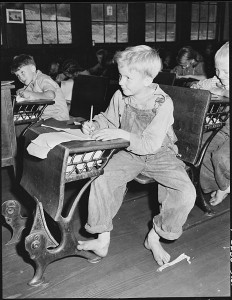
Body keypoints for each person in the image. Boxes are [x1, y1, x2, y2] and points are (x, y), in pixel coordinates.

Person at [77, 45, 196, 266]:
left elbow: (150, 144)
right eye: (120, 75)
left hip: (160, 154)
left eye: (127, 77)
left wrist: (122, 133)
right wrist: (94, 125)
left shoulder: (163, 103)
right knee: (102, 179)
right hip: (131, 154)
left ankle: (155, 236)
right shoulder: (122, 95)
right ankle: (102, 239)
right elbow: (109, 119)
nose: (120, 82)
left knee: (186, 191)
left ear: (147, 80)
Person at [191, 42, 230, 206]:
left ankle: (225, 188)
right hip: (224, 129)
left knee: (222, 157)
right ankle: (221, 184)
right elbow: (199, 86)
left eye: (226, 71)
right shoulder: (219, 79)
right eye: (217, 69)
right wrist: (196, 87)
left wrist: (222, 92)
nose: (220, 75)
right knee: (202, 150)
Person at [11, 54, 69, 121]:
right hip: (45, 118)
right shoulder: (30, 83)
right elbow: (26, 91)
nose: (20, 77)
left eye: (22, 72)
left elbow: (51, 95)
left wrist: (31, 94)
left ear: (33, 69)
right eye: (18, 75)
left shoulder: (42, 79)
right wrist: (20, 92)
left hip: (59, 118)